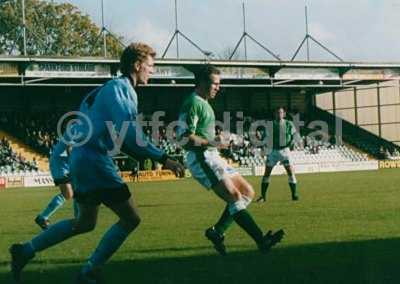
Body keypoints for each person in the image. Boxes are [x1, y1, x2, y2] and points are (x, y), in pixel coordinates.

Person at [10, 42, 185, 283]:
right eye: (150, 66)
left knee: (84, 222)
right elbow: (129, 135)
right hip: (94, 160)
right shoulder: (122, 89)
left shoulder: (103, 90)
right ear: (137, 65)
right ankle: (90, 270)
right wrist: (164, 158)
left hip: (81, 159)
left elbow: (121, 139)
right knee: (131, 218)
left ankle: (25, 250)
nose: (152, 71)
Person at [177, 65, 284, 256]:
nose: (218, 87)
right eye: (215, 84)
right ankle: (261, 241)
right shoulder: (192, 103)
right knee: (234, 197)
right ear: (202, 82)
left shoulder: (205, 103)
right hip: (201, 158)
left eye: (219, 84)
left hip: (212, 155)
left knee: (247, 193)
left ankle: (217, 232)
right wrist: (212, 142)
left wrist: (220, 141)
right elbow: (183, 138)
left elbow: (204, 136)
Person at [256, 107, 301, 203]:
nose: (279, 114)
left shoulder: (289, 124)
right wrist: (262, 144)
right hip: (273, 152)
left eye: (280, 112)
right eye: (277, 112)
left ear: (284, 114)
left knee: (290, 172)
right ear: (275, 114)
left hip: (285, 151)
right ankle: (263, 196)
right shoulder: (270, 125)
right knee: (267, 173)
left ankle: (294, 194)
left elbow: (295, 135)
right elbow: (265, 138)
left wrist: (292, 143)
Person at [34, 137, 78, 230]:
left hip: (64, 164)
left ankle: (78, 217)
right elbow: (69, 147)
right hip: (60, 165)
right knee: (67, 194)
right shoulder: (76, 132)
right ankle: (42, 217)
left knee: (77, 188)